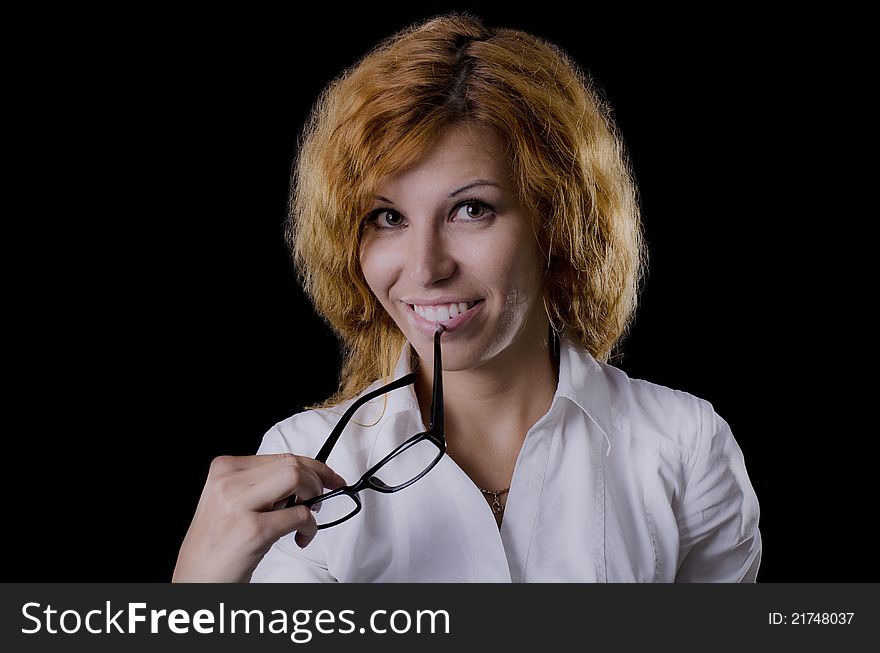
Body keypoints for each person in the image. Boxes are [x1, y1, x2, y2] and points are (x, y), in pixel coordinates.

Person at [172, 13, 761, 583]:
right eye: (387, 217)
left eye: (470, 210)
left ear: (556, 222)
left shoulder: (684, 445)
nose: (426, 268)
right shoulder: (296, 463)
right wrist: (197, 595)